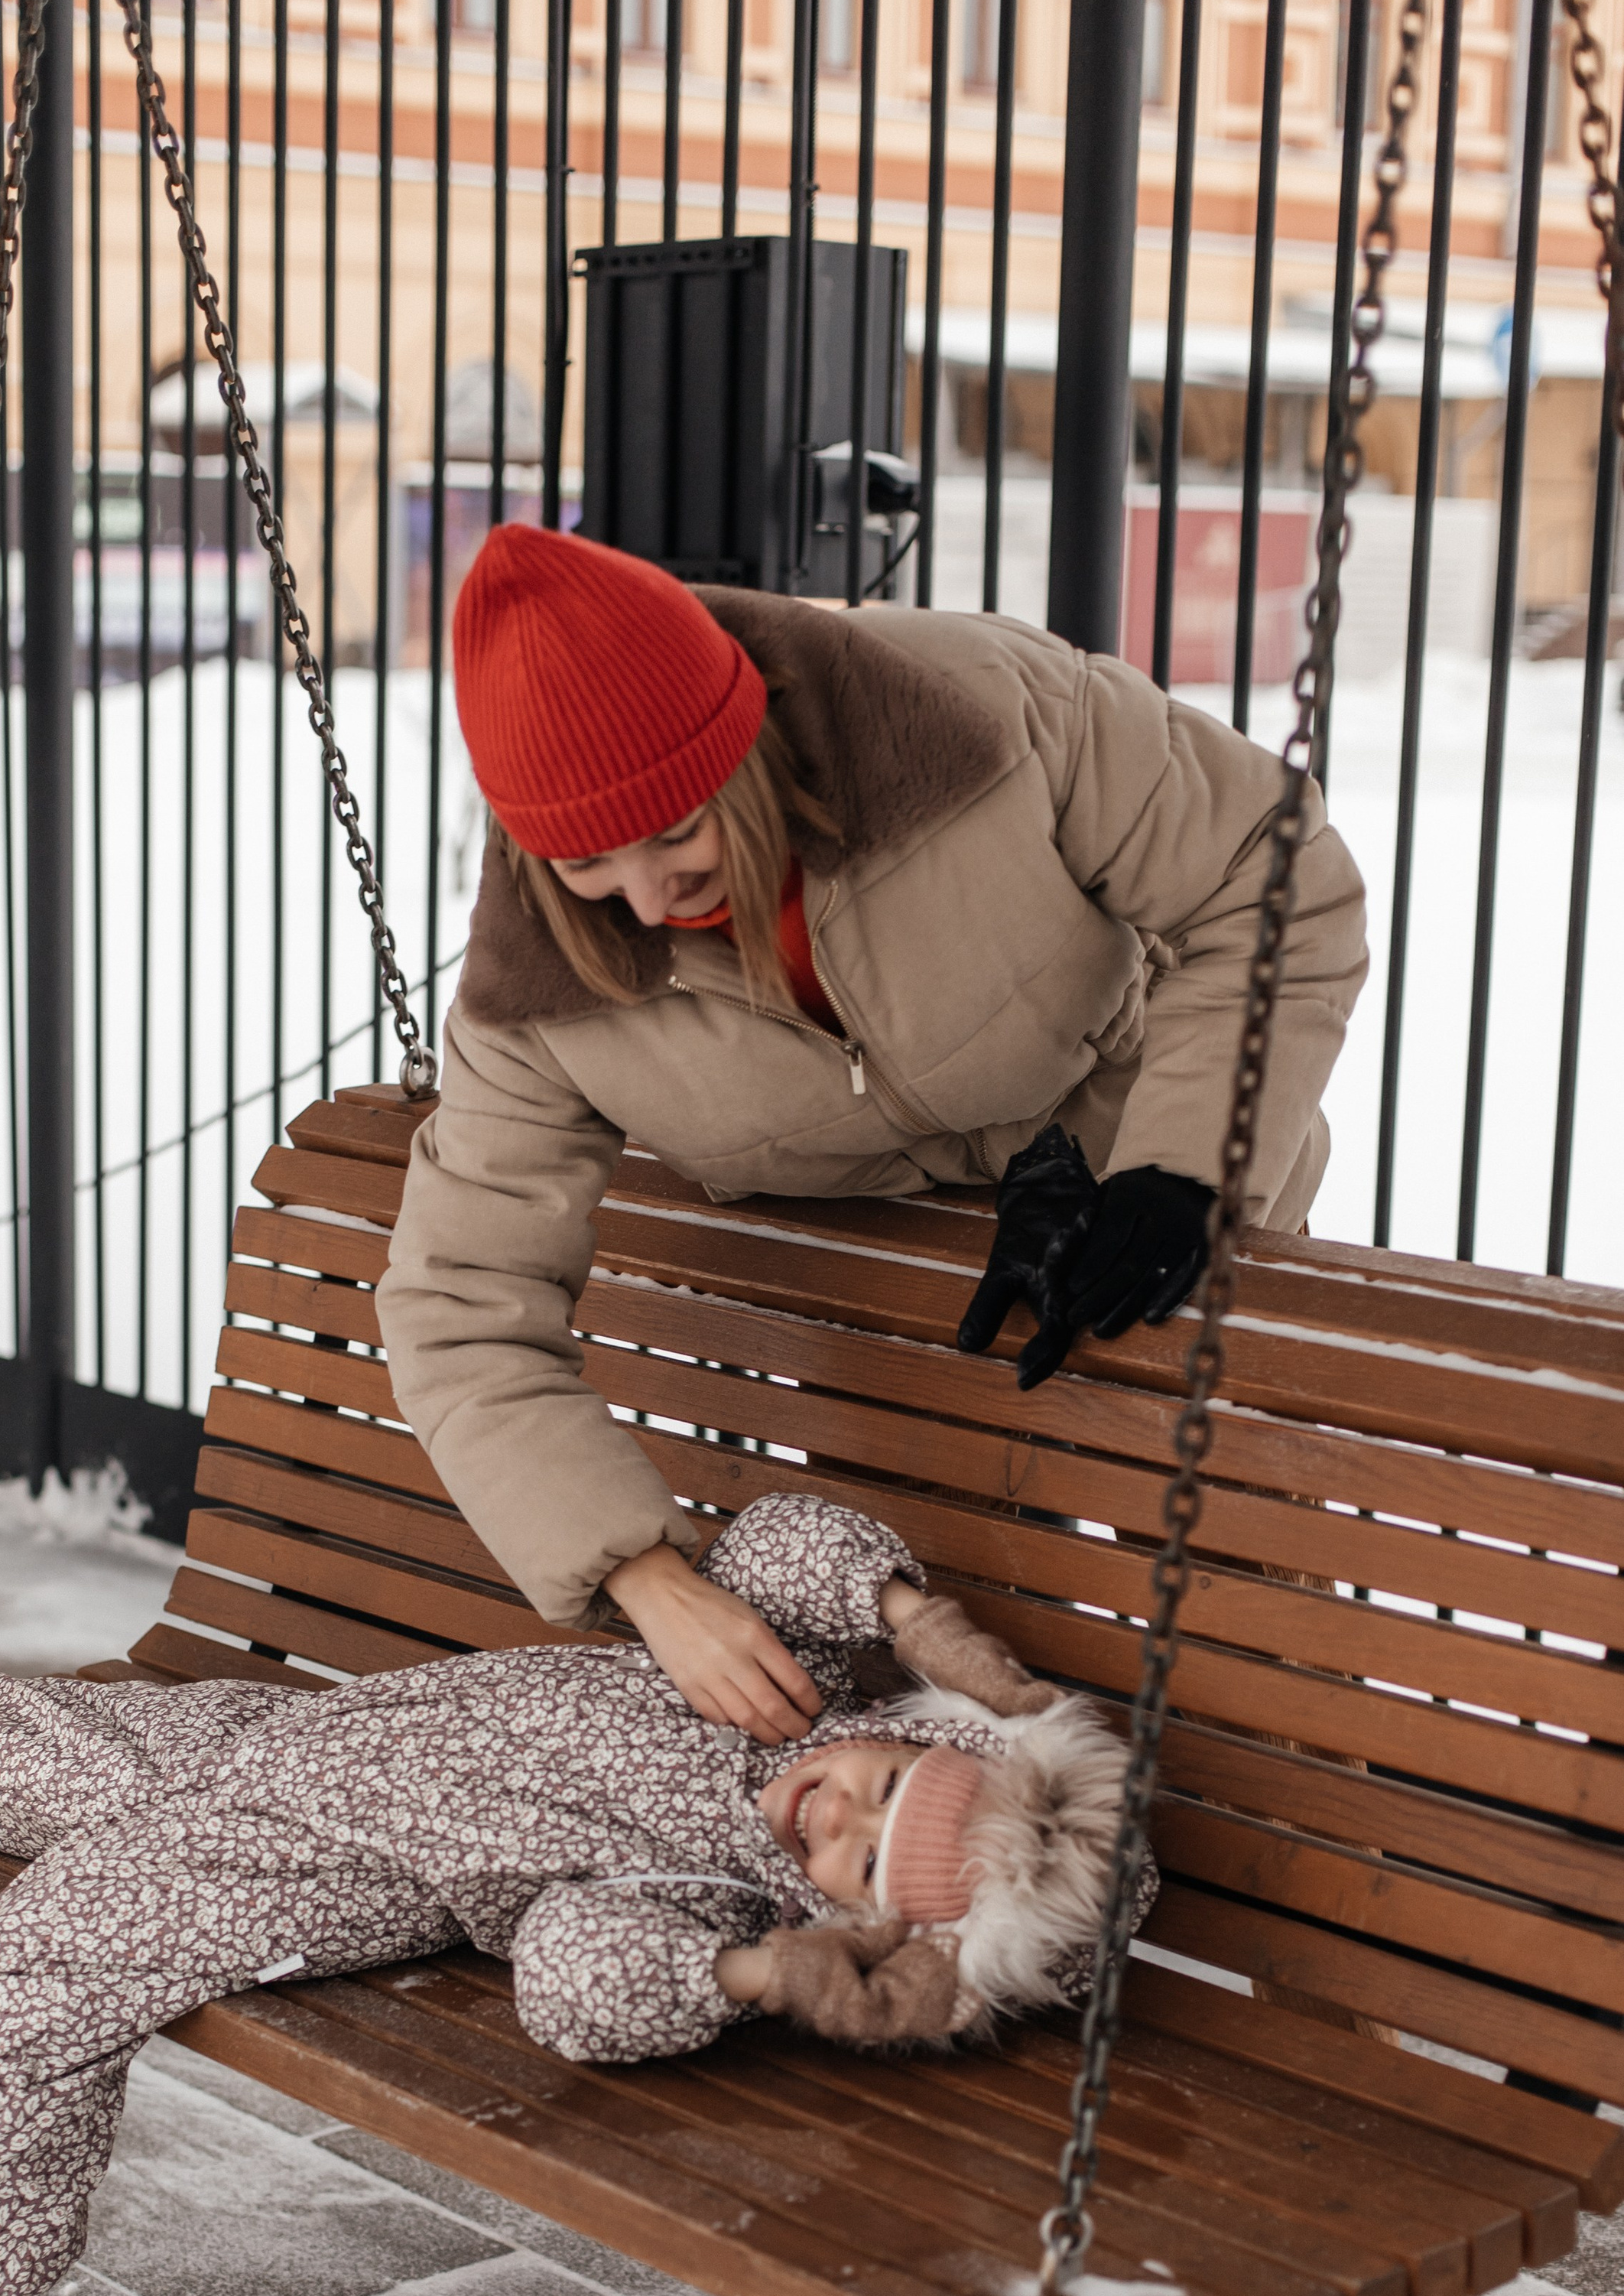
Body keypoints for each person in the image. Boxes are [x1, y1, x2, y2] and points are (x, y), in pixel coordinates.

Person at [0, 1492, 1148, 2296]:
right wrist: (919, 1617)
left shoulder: (725, 1901)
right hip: (319, 1736)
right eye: (884, 1787)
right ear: (912, 1734)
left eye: (858, 1861)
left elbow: (576, 1982)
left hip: (338, 1863)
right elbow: (772, 1544)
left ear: (854, 1921)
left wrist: (761, 1974)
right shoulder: (812, 1689)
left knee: (28, 1981)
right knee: (83, 1748)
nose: (832, 1813)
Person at [378, 524, 1366, 1744]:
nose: (643, 897)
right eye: (587, 858)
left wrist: (1179, 1173)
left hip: (1137, 1208)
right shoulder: (540, 985)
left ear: (744, 746)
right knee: (1004, 1657)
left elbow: (1270, 879)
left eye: (676, 832)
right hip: (887, 1343)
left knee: (1259, 1619)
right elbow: (461, 1302)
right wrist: (644, 1575)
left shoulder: (972, 714)